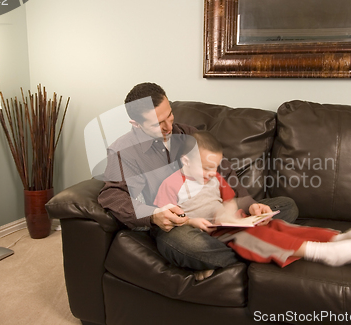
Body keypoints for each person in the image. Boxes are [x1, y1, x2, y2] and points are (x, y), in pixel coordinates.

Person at [98, 82, 299, 273]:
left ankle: (233, 249)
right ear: (136, 124)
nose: (169, 127)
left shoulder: (189, 134)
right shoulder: (122, 151)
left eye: (170, 116)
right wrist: (153, 215)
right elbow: (113, 195)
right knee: (188, 245)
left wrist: (250, 204)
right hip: (178, 226)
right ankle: (258, 246)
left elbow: (225, 171)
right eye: (159, 124)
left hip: (217, 215)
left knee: (287, 205)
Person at [154, 131, 351, 274]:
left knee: (278, 224)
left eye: (215, 168)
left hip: (230, 223)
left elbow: (231, 200)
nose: (213, 173)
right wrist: (192, 222)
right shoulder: (171, 183)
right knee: (259, 236)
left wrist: (241, 211)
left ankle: (335, 237)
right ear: (185, 161)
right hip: (208, 232)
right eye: (207, 168)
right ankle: (320, 252)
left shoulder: (216, 177)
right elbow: (167, 215)